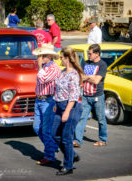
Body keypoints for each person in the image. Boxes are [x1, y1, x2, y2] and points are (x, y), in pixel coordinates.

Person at [52, 47, 84, 175]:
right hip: (60, 105)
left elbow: (74, 96)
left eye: (62, 58)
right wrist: (56, 103)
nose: (60, 60)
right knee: (54, 134)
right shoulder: (63, 72)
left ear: (68, 58)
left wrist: (66, 112)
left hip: (71, 108)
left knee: (66, 138)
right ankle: (72, 155)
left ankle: (68, 166)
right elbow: (59, 89)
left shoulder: (74, 75)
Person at [32, 43, 61, 165]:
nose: (40, 57)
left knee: (46, 130)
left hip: (48, 101)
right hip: (39, 100)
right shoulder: (44, 67)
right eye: (40, 55)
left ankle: (49, 155)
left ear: (49, 56)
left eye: (42, 55)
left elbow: (43, 79)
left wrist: (39, 66)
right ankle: (53, 146)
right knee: (36, 127)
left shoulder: (54, 68)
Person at [74, 44, 108, 147]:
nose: (88, 55)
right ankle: (77, 141)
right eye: (88, 53)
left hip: (97, 96)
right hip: (85, 96)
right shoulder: (86, 63)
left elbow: (97, 81)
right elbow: (81, 77)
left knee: (101, 119)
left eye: (90, 53)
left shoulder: (102, 65)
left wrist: (87, 77)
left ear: (97, 54)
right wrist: (90, 77)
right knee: (81, 118)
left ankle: (103, 139)